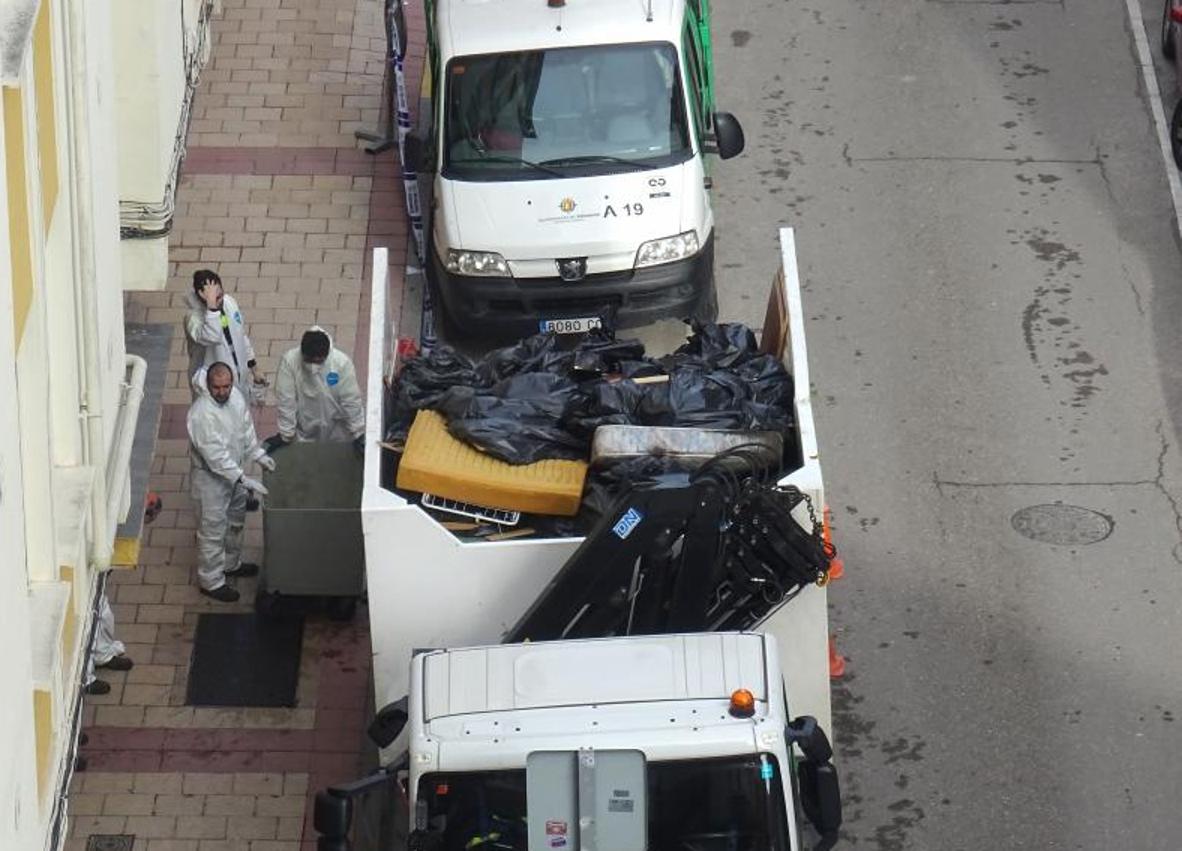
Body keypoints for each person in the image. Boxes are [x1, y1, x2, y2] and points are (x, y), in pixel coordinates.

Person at [187, 362, 276, 602]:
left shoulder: (235, 397)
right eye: (217, 387)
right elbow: (215, 457)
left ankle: (231, 563)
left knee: (236, 520)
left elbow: (245, 430)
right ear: (208, 385)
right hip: (210, 481)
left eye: (226, 386)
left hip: (234, 475)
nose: (222, 392)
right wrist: (243, 478)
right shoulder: (201, 413)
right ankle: (211, 580)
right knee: (212, 530)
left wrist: (258, 455)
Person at [266, 326, 365, 452]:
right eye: (310, 361)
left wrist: (358, 433)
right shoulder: (290, 362)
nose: (313, 367)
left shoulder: (341, 364)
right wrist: (286, 434)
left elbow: (351, 400)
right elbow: (286, 400)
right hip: (304, 429)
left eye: (319, 362)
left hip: (337, 430)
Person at [184, 269, 266, 403]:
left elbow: (240, 335)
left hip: (237, 377)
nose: (219, 301)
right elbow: (213, 336)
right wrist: (212, 307)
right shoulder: (193, 319)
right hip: (213, 388)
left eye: (220, 295)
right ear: (201, 295)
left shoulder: (229, 303)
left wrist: (254, 367)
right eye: (214, 298)